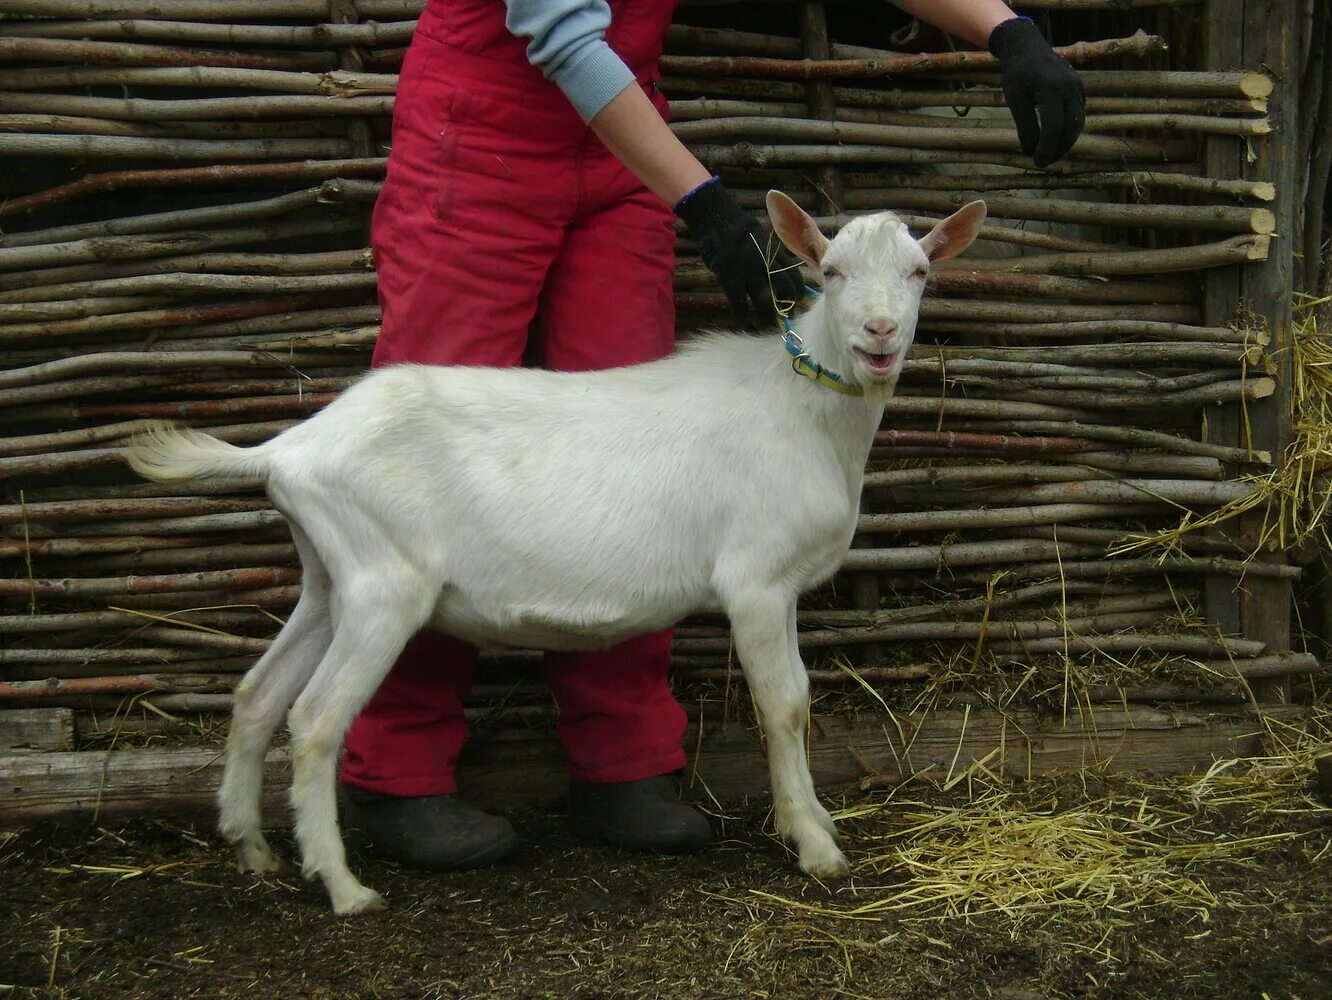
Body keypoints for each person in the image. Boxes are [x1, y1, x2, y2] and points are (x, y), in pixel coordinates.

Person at [339, 0, 1085, 869]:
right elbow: (564, 36)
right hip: (482, 133)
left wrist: (1003, 28)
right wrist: (706, 206)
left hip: (623, 152)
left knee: (645, 455)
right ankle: (398, 767)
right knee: (430, 442)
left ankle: (621, 758)